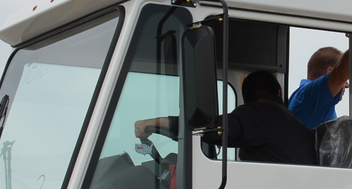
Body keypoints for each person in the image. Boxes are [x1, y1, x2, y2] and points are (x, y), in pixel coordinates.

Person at [135, 70, 316, 165]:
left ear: (244, 101)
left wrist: (154, 124)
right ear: (279, 92)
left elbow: (213, 129)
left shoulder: (261, 114)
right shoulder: (295, 124)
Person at [288, 45, 349, 129]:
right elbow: (339, 74)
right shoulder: (312, 97)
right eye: (345, 80)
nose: (347, 85)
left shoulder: (304, 98)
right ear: (329, 72)